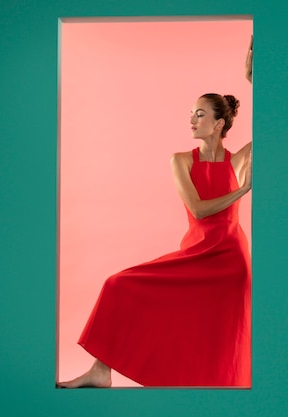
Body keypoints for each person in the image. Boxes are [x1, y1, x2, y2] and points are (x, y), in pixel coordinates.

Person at [57, 37, 253, 388]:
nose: (191, 119)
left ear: (219, 123)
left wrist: (255, 82)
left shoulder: (236, 160)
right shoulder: (181, 161)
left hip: (230, 262)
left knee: (222, 337)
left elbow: (277, 126)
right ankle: (101, 370)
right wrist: (242, 190)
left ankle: (219, 395)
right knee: (119, 285)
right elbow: (198, 208)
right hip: (195, 254)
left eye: (200, 113)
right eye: (191, 112)